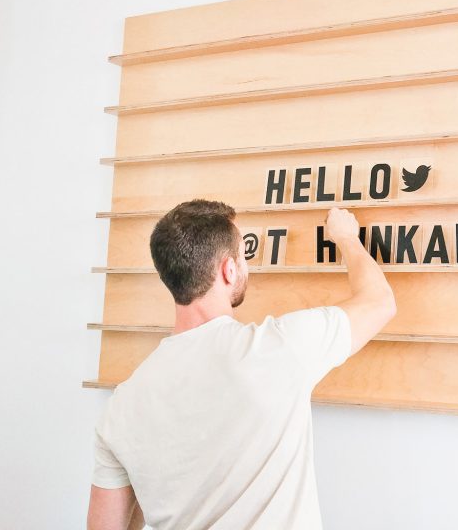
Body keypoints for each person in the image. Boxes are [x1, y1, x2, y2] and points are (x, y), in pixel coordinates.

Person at [86, 199, 396, 530]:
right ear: (228, 269)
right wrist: (347, 236)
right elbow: (379, 303)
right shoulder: (279, 349)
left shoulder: (122, 405)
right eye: (243, 255)